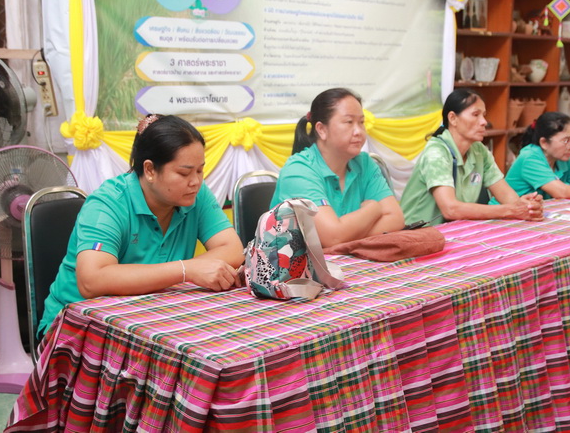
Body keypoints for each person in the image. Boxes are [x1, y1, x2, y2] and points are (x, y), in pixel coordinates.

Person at [38, 115, 245, 336]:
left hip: (148, 319)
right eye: (184, 173)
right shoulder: (108, 203)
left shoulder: (195, 194)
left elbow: (232, 250)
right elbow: (92, 281)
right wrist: (186, 270)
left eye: (200, 171)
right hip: (77, 329)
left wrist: (187, 270)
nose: (195, 181)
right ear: (150, 170)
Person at [270, 88, 404, 247]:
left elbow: (396, 219)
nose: (358, 131)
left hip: (349, 258)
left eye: (361, 122)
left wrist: (345, 234)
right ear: (321, 129)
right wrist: (374, 208)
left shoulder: (365, 164)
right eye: (349, 122)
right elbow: (332, 238)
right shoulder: (298, 170)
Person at [400, 89, 543, 224]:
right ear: (453, 118)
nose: (484, 121)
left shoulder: (479, 150)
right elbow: (450, 209)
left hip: (453, 231)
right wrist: (510, 210)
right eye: (475, 115)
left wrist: (526, 205)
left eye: (484, 115)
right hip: (417, 233)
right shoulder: (436, 152)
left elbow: (507, 197)